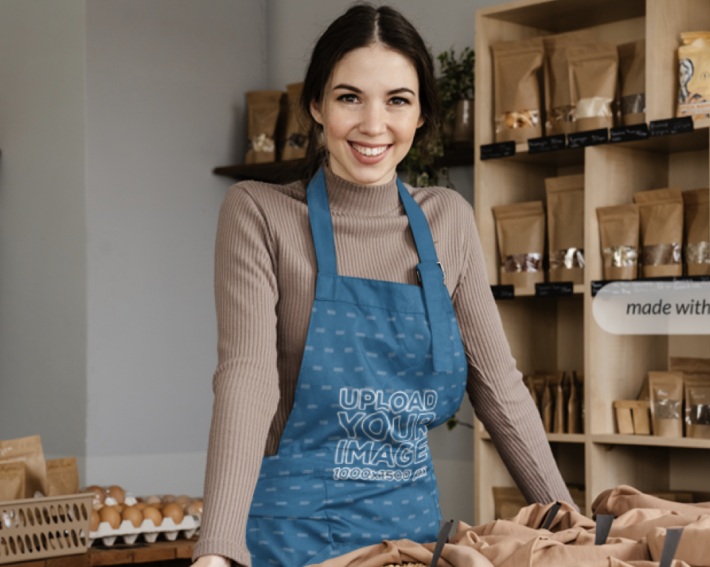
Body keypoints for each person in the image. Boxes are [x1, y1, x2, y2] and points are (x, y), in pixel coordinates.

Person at [192, 4, 575, 567]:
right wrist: (218, 549)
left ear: (421, 115)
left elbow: (498, 386)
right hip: (291, 542)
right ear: (317, 105)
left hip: (411, 546)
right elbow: (247, 378)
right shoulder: (259, 213)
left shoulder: (448, 219)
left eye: (398, 100)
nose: (374, 125)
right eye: (350, 97)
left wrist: (570, 525)